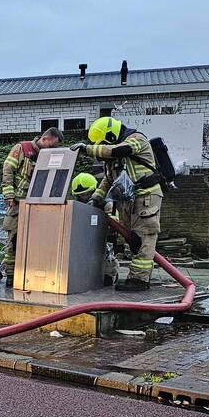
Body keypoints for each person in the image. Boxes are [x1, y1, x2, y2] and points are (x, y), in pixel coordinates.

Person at [71, 116, 162, 291]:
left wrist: (88, 149)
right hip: (128, 200)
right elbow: (108, 180)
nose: (103, 146)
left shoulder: (135, 140)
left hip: (146, 196)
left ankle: (139, 280)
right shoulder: (115, 157)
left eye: (104, 143)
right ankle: (138, 277)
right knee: (133, 240)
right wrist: (95, 199)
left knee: (144, 237)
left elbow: (118, 150)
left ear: (111, 137)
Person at [1, 126, 63, 286]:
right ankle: (10, 275)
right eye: (53, 145)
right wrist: (9, 193)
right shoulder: (22, 148)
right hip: (18, 203)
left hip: (38, 204)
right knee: (14, 240)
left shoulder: (49, 155)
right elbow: (8, 169)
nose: (53, 149)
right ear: (45, 139)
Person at [70, 172, 119, 286]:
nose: (84, 198)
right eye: (81, 195)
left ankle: (111, 274)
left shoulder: (107, 204)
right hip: (84, 243)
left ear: (94, 190)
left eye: (87, 194)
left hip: (104, 243)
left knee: (106, 280)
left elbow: (114, 224)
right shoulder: (76, 207)